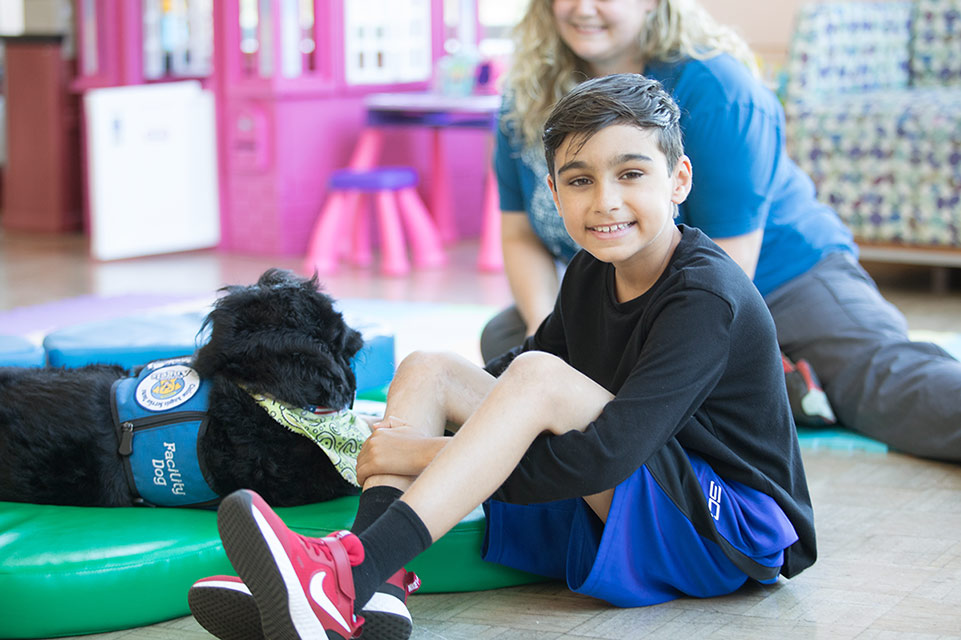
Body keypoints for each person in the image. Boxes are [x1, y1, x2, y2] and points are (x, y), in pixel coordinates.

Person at [187, 73, 816, 640]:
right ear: (553, 193)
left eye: (631, 173)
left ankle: (346, 576)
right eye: (579, 181)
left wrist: (417, 452)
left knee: (538, 379)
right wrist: (395, 419)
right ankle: (371, 580)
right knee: (431, 367)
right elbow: (514, 376)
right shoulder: (592, 274)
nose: (605, 201)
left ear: (678, 179)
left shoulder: (706, 296)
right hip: (643, 496)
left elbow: (605, 454)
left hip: (728, 531)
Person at [482, 0, 961, 461]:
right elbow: (520, 233)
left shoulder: (719, 90)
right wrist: (545, 339)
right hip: (641, 291)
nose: (582, 7)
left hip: (784, 281)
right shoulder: (527, 96)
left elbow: (727, 281)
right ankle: (781, 388)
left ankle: (779, 380)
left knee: (894, 392)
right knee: (511, 342)